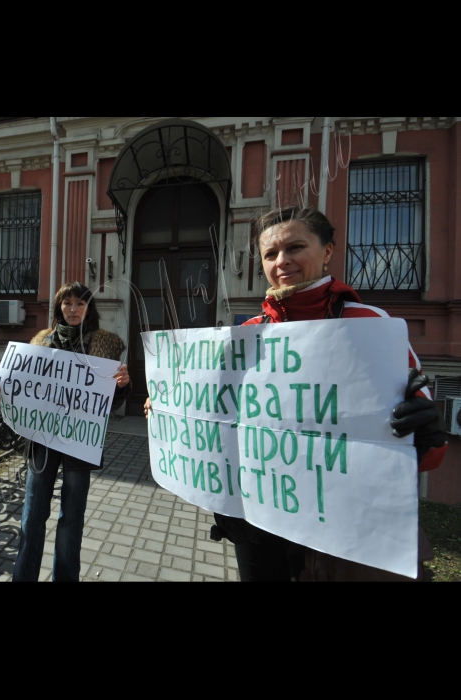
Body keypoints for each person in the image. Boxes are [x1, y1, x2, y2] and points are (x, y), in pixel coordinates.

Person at [145, 206, 448, 582]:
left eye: (295, 247)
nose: (282, 261)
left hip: (338, 527)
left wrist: (424, 433)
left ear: (327, 252)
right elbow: (215, 414)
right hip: (254, 523)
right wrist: (169, 410)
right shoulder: (247, 334)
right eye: (270, 254)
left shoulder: (370, 327)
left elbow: (429, 454)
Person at [0, 282, 131, 582]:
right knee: (32, 515)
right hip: (41, 442)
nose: (73, 309)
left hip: (80, 442)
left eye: (80, 303)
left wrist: (122, 386)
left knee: (72, 519)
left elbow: (110, 401)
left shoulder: (105, 346)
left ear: (89, 308)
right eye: (67, 303)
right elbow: (25, 388)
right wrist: (4, 390)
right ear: (59, 308)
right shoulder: (39, 344)